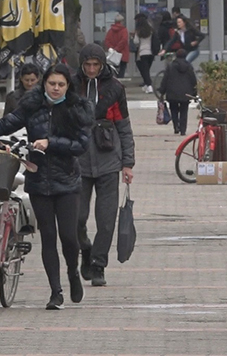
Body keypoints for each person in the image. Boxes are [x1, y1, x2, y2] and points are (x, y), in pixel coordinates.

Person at [0, 63, 94, 310]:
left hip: (67, 181)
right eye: (52, 84)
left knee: (68, 237)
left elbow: (81, 144)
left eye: (61, 85)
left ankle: (73, 272)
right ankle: (56, 292)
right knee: (49, 237)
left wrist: (50, 142)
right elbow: (4, 125)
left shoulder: (77, 109)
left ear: (68, 86)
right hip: (38, 178)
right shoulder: (32, 106)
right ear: (44, 83)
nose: (55, 88)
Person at [74, 43, 136, 287]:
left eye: (95, 65)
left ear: (102, 65)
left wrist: (128, 163)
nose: (91, 69)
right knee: (76, 218)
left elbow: (124, 127)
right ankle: (86, 249)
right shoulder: (71, 85)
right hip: (78, 161)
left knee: (106, 219)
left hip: (109, 160)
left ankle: (99, 264)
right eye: (87, 65)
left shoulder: (114, 88)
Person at [157, 49, 197, 135]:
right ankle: (183, 130)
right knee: (184, 111)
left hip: (172, 92)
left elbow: (165, 79)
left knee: (174, 110)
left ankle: (176, 127)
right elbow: (193, 80)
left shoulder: (170, 66)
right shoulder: (189, 67)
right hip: (185, 93)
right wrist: (194, 93)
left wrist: (162, 91)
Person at [133, 13, 160, 94]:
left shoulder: (138, 31)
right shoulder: (151, 30)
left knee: (144, 70)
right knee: (147, 69)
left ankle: (149, 85)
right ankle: (147, 84)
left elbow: (136, 41)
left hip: (142, 52)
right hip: (151, 52)